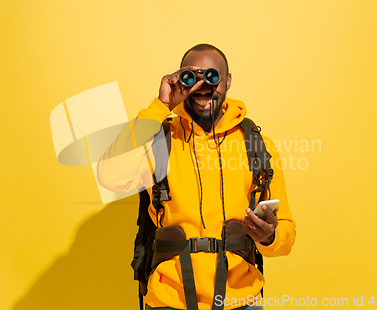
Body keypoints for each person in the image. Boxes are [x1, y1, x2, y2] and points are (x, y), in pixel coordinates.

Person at [97, 44, 296, 310]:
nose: (203, 88)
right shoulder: (158, 140)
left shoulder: (256, 145)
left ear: (227, 81)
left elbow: (286, 233)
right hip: (169, 298)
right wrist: (161, 106)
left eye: (212, 77)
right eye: (192, 78)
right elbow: (109, 176)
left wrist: (270, 236)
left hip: (241, 298)